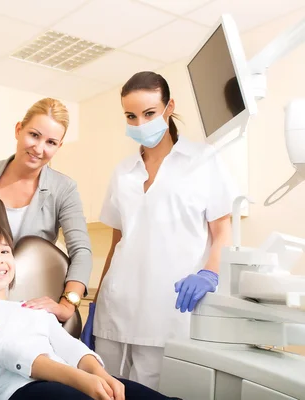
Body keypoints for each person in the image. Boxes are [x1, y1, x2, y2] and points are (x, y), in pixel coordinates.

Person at [81, 71, 236, 391]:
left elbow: (222, 232)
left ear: (169, 107)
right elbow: (118, 242)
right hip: (115, 311)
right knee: (102, 394)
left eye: (149, 113)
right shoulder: (123, 171)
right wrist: (96, 304)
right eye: (131, 116)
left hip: (167, 314)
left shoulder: (203, 160)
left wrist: (210, 273)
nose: (140, 123)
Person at [0, 221, 179, 400]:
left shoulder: (31, 307)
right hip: (20, 391)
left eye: (5, 251)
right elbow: (11, 354)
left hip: (66, 380)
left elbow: (69, 345)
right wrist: (81, 380)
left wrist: (101, 375)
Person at [0, 98, 91, 324]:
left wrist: (68, 304)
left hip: (30, 306)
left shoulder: (63, 189)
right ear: (19, 129)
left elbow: (82, 251)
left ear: (59, 146)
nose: (39, 148)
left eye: (51, 142)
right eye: (34, 135)